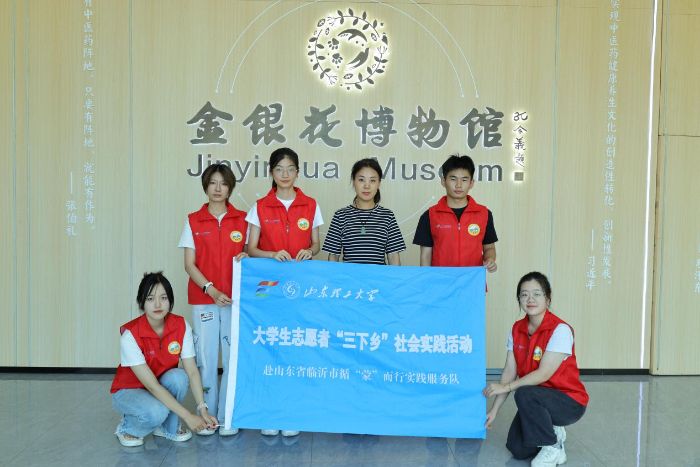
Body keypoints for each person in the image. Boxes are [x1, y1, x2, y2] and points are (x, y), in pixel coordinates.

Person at [246, 147, 323, 437]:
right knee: (270, 346)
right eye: (279, 169)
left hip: (301, 287)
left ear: (298, 172)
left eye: (290, 168)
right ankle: (269, 412)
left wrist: (309, 251)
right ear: (272, 173)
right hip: (269, 288)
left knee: (296, 346)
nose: (285, 174)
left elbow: (316, 244)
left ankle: (291, 412)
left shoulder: (311, 205)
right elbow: (251, 248)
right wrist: (271, 254)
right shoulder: (260, 206)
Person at [483, 272, 588, 466]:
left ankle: (552, 447)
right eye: (524, 294)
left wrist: (507, 387)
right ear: (519, 299)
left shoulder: (560, 330)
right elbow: (509, 372)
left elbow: (543, 374)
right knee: (517, 448)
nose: (530, 299)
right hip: (536, 399)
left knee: (524, 393)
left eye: (537, 294)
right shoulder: (517, 329)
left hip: (568, 401)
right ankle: (554, 432)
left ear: (548, 299)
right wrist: (494, 411)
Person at [178, 163, 248, 436]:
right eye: (213, 183)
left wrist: (247, 255)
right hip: (204, 300)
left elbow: (251, 253)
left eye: (224, 183)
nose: (218, 189)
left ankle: (228, 414)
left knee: (232, 358)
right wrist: (211, 290)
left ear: (230, 188)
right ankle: (207, 415)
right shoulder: (193, 220)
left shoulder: (243, 220)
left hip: (234, 300)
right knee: (206, 359)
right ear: (205, 186)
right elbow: (189, 264)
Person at [111, 272, 218, 447]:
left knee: (179, 377)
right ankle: (127, 428)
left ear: (170, 300)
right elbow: (152, 386)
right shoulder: (130, 335)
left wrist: (202, 409)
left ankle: (168, 427)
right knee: (156, 412)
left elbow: (192, 371)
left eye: (163, 298)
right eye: (150, 298)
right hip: (129, 390)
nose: (158, 304)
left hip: (159, 383)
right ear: (142, 302)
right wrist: (188, 416)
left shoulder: (181, 325)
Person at [412, 154, 497, 271]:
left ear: (471, 183)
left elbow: (489, 247)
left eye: (464, 180)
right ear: (443, 181)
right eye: (453, 179)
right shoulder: (429, 215)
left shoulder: (484, 214)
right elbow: (425, 255)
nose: (458, 185)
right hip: (441, 280)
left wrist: (490, 259)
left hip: (472, 280)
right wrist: (426, 279)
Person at [323, 158, 405, 265]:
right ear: (354, 182)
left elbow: (393, 256)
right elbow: (333, 256)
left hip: (379, 276)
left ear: (379, 184)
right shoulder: (340, 216)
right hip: (349, 276)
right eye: (361, 180)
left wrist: (395, 276)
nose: (367, 186)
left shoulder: (387, 216)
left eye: (372, 180)